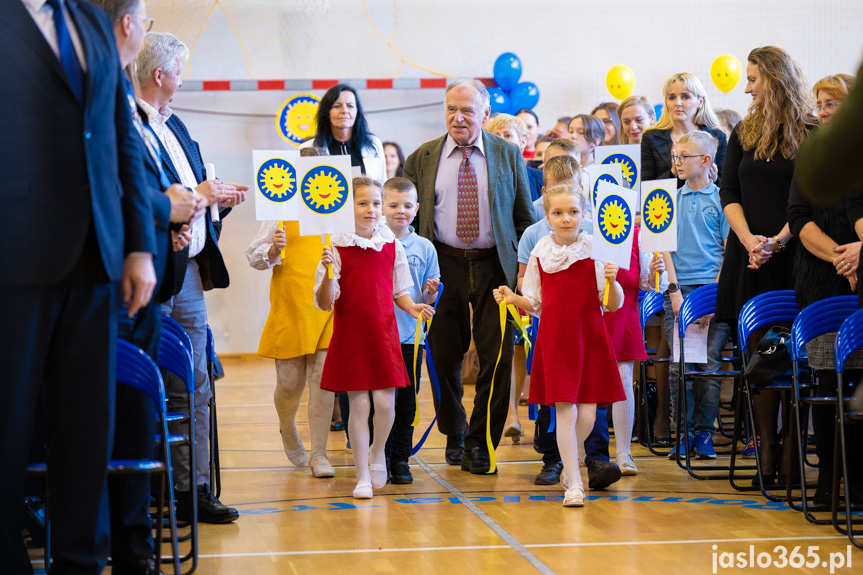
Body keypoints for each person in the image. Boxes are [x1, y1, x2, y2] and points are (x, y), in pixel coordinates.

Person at [1, 0, 158, 571]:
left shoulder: (89, 19)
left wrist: (139, 245)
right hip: (14, 257)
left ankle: (81, 562)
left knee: (87, 436)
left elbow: (120, 139)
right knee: (11, 429)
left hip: (97, 261)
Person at [95, 1, 203, 572]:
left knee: (135, 425)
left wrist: (167, 228)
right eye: (145, 19)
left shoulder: (138, 115)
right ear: (126, 25)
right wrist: (167, 208)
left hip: (143, 289)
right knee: (109, 426)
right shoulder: (100, 96)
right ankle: (114, 547)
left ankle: (133, 547)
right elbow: (112, 194)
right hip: (104, 291)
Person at [137, 31, 249, 524]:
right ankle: (147, 489)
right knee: (148, 379)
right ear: (160, 75)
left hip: (187, 273)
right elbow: (148, 198)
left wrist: (214, 198)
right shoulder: (131, 126)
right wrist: (197, 197)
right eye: (180, 71)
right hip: (148, 270)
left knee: (196, 380)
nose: (184, 80)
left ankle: (193, 488)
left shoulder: (176, 125)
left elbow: (195, 188)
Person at [403, 79, 535, 475]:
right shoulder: (422, 158)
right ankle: (455, 431)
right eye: (450, 109)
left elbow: (524, 218)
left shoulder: (508, 154)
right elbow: (407, 220)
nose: (457, 118)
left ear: (485, 114)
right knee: (442, 356)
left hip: (495, 265)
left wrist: (524, 277)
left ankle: (481, 442)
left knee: (495, 358)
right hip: (441, 268)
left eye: (467, 111)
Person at [716, 46, 817, 484]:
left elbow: (811, 198)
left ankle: (793, 457)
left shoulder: (811, 132)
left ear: (775, 79)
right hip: (750, 258)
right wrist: (748, 240)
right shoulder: (742, 131)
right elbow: (729, 192)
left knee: (798, 359)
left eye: (753, 78)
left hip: (797, 254)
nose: (747, 87)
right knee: (761, 357)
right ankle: (766, 451)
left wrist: (778, 241)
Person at [494, 184, 626, 506]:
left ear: (583, 215)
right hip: (555, 340)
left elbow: (612, 304)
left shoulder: (595, 249)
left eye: (573, 212)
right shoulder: (540, 251)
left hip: (590, 339)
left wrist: (612, 281)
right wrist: (514, 299)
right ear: (547, 216)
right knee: (565, 413)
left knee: (589, 418)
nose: (566, 218)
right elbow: (535, 302)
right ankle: (575, 483)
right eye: (558, 213)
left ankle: (571, 464)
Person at [314, 177, 434, 498]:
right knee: (359, 406)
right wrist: (327, 272)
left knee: (385, 403)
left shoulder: (390, 244)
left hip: (383, 335)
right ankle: (362, 475)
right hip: (352, 335)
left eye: (376, 203)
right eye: (363, 203)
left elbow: (399, 291)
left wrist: (413, 308)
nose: (371, 210)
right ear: (346, 206)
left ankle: (378, 450)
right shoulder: (335, 246)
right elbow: (327, 301)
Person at [787, 72, 863, 504]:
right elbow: (798, 217)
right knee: (827, 383)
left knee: (858, 387)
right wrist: (842, 256)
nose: (822, 112)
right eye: (819, 104)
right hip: (821, 279)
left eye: (831, 104)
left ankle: (858, 482)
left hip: (859, 271)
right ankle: (828, 479)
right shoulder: (812, 155)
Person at [246, 146, 337, 479]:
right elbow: (255, 258)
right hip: (289, 309)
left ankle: (319, 453)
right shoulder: (280, 212)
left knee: (323, 382)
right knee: (289, 385)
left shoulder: (335, 211)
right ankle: (287, 427)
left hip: (327, 308)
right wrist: (273, 247)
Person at [659, 132, 733, 460]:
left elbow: (729, 254)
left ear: (705, 161)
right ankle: (683, 433)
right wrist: (674, 292)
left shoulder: (722, 201)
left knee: (710, 364)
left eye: (684, 157)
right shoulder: (667, 200)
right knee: (681, 365)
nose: (677, 162)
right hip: (679, 291)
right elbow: (665, 251)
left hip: (712, 290)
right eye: (675, 156)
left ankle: (705, 432)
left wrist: (714, 298)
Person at [381, 177, 441, 484]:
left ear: (416, 209)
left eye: (407, 206)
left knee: (406, 402)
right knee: (380, 402)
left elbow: (430, 297)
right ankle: (381, 455)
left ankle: (401, 460)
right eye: (393, 205)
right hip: (379, 337)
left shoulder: (425, 247)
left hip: (410, 339)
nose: (400, 211)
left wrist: (431, 292)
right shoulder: (374, 241)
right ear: (382, 207)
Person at [607, 220, 668, 474]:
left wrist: (656, 270)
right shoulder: (584, 230)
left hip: (623, 316)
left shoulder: (636, 237)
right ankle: (581, 454)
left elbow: (651, 284)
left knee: (622, 380)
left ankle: (624, 452)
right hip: (588, 316)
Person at [642, 72, 727, 188]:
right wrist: (673, 172)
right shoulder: (651, 138)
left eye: (685, 97)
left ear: (700, 102)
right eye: (672, 97)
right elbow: (645, 188)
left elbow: (728, 188)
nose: (678, 103)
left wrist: (715, 180)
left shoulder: (717, 136)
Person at [302, 84, 386, 183]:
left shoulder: (373, 145)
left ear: (357, 112)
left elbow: (382, 186)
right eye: (337, 106)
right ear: (327, 113)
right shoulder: (308, 148)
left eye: (350, 106)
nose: (344, 111)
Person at [487, 113, 543, 201]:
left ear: (523, 142)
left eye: (508, 135)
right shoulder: (484, 178)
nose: (501, 140)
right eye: (496, 136)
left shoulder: (541, 178)